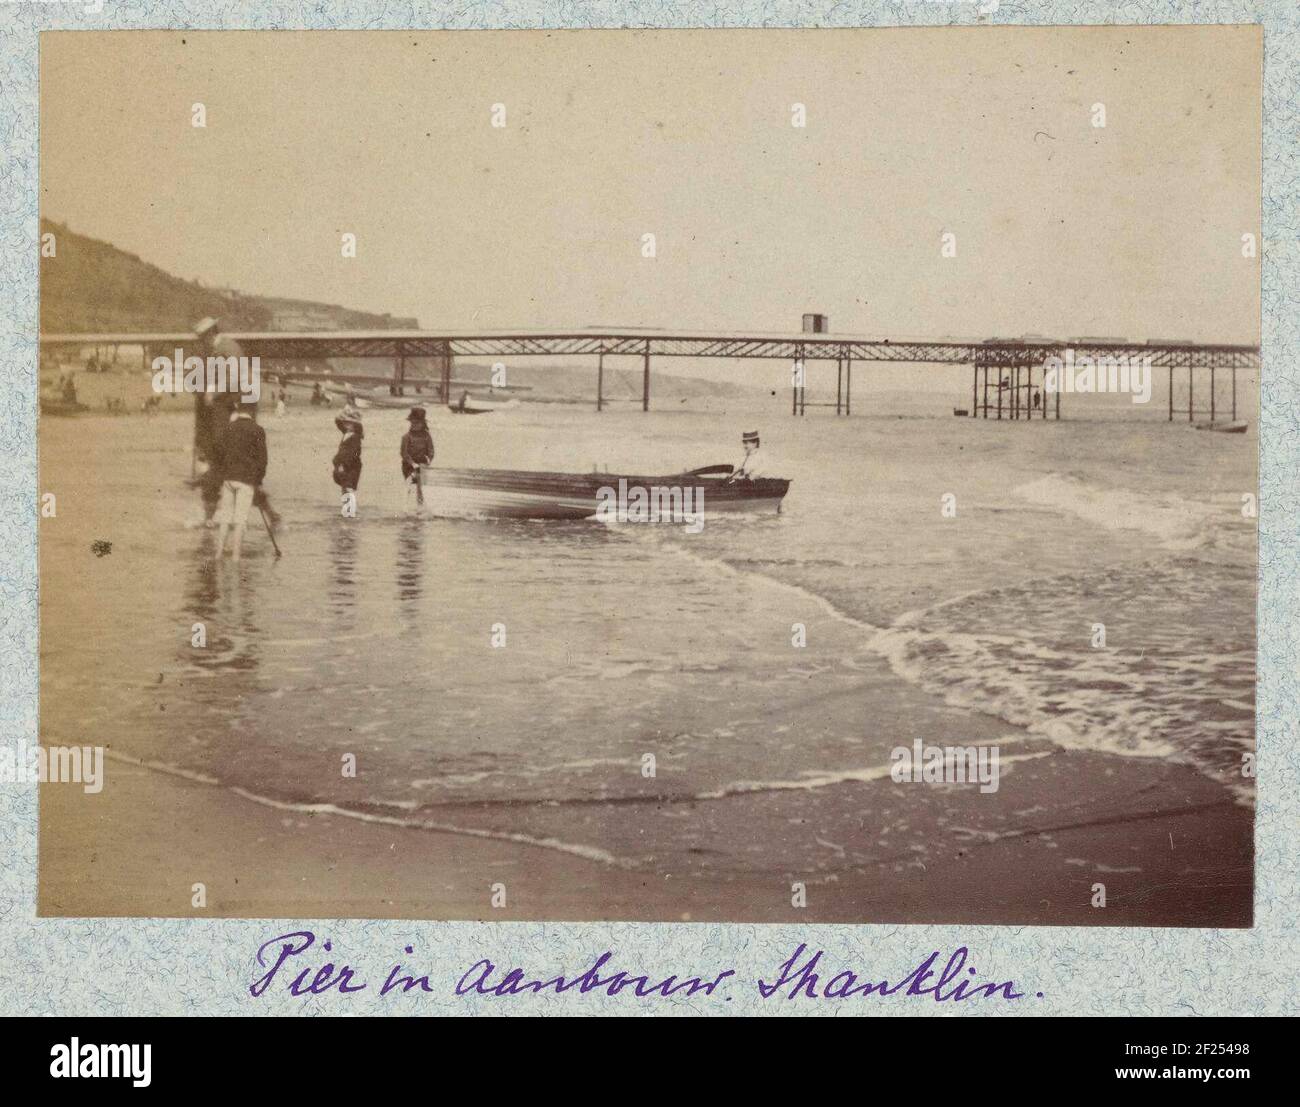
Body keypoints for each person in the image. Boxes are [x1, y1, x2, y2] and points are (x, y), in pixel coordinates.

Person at [213, 397, 268, 560]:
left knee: (225, 518)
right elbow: (263, 461)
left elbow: (218, 451)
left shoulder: (229, 428)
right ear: (253, 410)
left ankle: (218, 554)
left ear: (238, 409)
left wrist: (224, 471)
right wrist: (258, 481)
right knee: (240, 520)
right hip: (246, 480)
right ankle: (236, 557)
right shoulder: (258, 430)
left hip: (228, 479)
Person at [332, 404, 364, 514]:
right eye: (345, 423)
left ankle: (351, 510)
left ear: (355, 425)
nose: (346, 425)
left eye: (349, 423)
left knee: (348, 487)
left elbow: (352, 454)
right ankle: (348, 508)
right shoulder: (347, 434)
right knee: (345, 487)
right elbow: (337, 422)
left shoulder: (355, 437)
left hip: (351, 466)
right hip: (345, 465)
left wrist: (342, 464)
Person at [400, 407, 435, 504]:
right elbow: (404, 453)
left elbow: (431, 451)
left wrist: (429, 460)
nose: (414, 425)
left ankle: (420, 505)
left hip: (422, 464)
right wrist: (412, 463)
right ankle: (405, 505)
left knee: (421, 486)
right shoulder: (406, 437)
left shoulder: (427, 436)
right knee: (409, 483)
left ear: (423, 423)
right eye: (412, 423)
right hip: (408, 465)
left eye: (417, 423)